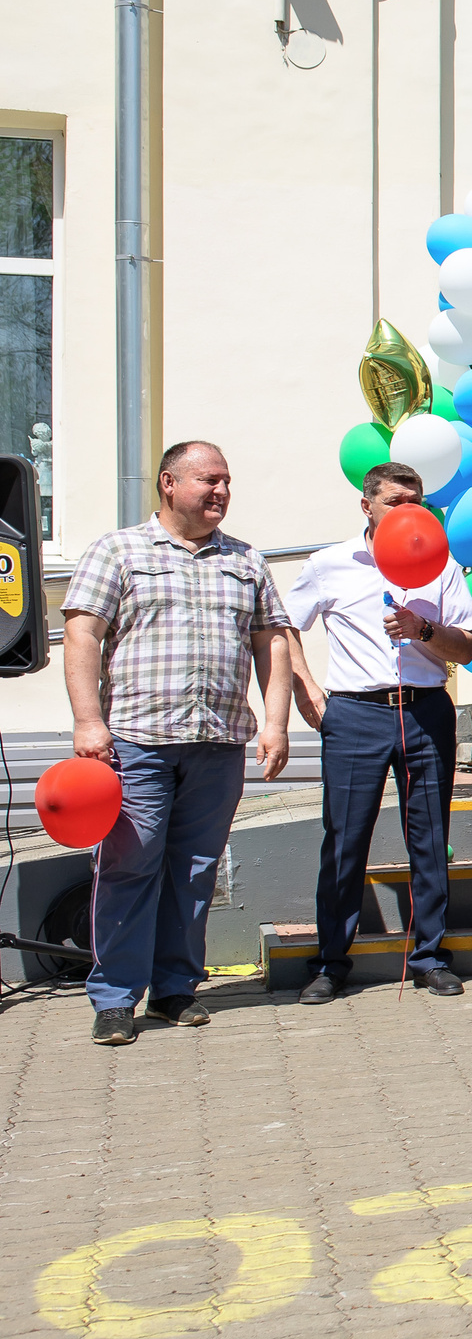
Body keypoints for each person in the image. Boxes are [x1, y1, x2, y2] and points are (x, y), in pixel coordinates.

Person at [60, 442, 293, 1045]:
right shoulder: (119, 551)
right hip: (137, 740)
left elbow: (272, 642)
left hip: (217, 742)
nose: (220, 492)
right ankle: (115, 998)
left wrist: (275, 722)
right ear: (169, 483)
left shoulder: (246, 560)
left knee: (195, 872)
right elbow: (83, 633)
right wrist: (89, 723)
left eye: (226, 482)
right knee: (128, 867)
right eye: (207, 480)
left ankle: (174, 991)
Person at [282, 463, 472, 1002]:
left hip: (424, 710)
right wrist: (307, 690)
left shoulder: (440, 563)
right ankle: (330, 962)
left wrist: (424, 630)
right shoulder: (331, 563)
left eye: (417, 502)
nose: (409, 511)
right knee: (346, 840)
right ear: (366, 505)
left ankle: (430, 955)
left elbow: (466, 648)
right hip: (355, 714)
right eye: (396, 501)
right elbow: (282, 626)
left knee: (430, 838)